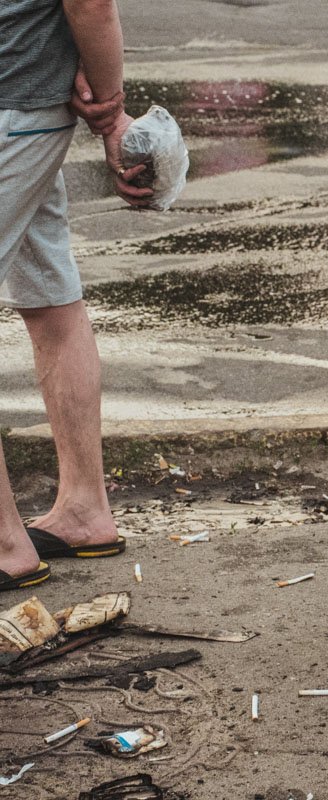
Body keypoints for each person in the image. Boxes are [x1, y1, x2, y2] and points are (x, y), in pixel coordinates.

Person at [0, 0, 153, 590]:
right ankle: (84, 509)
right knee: (48, 299)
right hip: (22, 105)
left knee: (49, 301)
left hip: (13, 102)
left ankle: (4, 542)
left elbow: (91, 2)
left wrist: (112, 114)